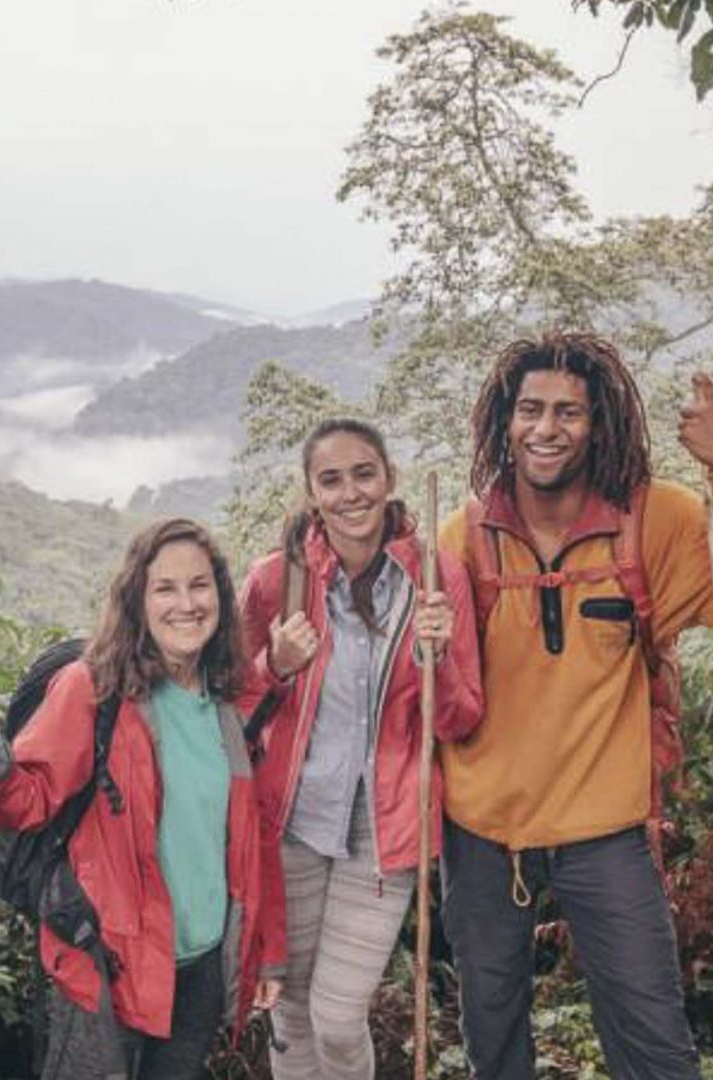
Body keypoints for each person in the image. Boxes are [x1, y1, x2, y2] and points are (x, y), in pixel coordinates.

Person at [437, 332, 713, 1080]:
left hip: (605, 830)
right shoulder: (466, 536)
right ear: (503, 422)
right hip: (482, 831)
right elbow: (429, 685)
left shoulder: (654, 524)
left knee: (651, 1039)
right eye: (531, 410)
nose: (547, 429)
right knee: (493, 1037)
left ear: (600, 422)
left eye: (569, 413)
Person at [0, 518, 285, 1080]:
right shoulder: (93, 689)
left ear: (222, 598)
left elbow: (256, 837)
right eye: (165, 588)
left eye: (199, 586)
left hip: (199, 968)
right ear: (137, 599)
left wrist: (265, 948)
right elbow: (24, 800)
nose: (186, 603)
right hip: (106, 962)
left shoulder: (229, 701)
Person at [237, 418, 484, 1079]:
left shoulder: (435, 578)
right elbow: (230, 702)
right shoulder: (274, 582)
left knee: (340, 1019)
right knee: (289, 1010)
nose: (351, 493)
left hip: (385, 833)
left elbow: (461, 719)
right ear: (312, 492)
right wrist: (275, 664)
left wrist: (438, 659)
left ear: (389, 478)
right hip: (289, 826)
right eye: (332, 479)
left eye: (363, 474)